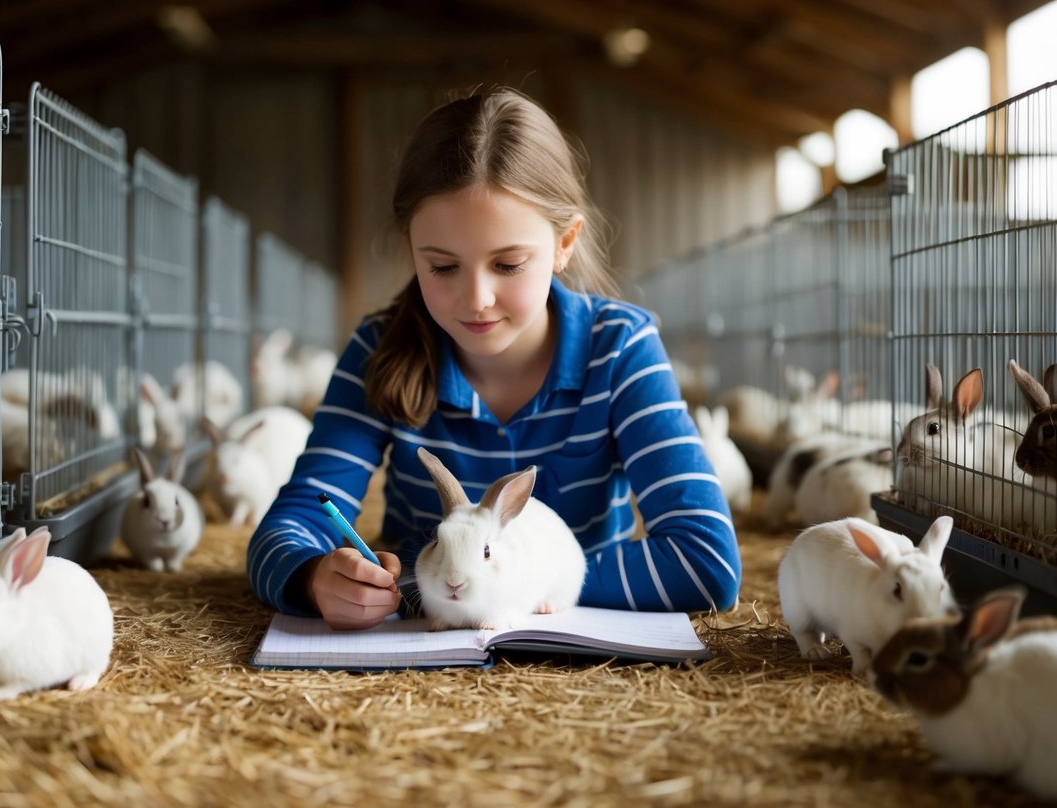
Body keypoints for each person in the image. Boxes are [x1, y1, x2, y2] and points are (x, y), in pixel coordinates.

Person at [247, 87, 741, 629]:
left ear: (564, 243)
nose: (476, 298)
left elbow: (707, 562)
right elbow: (291, 525)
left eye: (507, 265)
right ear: (410, 247)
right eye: (441, 267)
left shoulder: (620, 349)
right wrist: (313, 577)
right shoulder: (379, 348)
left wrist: (525, 586)